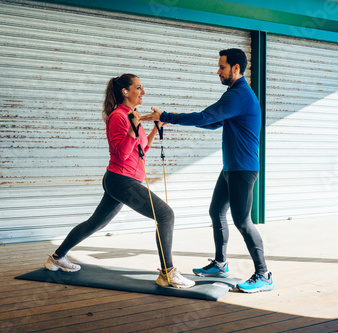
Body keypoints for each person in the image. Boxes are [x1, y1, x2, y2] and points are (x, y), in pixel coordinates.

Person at [44, 73, 195, 289]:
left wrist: (155, 129)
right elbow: (121, 153)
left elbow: (141, 149)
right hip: (121, 180)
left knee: (96, 223)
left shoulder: (132, 114)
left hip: (123, 180)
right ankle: (167, 273)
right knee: (165, 214)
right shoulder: (118, 117)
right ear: (125, 92)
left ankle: (57, 258)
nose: (143, 92)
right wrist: (134, 128)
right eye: (139, 88)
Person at [141, 49, 274, 293]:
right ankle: (220, 264)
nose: (218, 71)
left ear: (235, 68)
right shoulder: (235, 95)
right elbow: (213, 122)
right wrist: (171, 120)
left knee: (243, 221)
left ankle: (263, 273)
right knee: (216, 211)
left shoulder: (239, 95)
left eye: (221, 67)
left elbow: (204, 117)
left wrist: (168, 116)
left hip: (242, 169)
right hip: (231, 167)